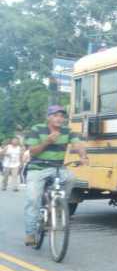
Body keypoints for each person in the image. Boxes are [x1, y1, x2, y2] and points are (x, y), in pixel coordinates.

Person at [23, 105, 88, 247]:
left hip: (58, 168)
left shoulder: (67, 131)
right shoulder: (37, 129)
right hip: (38, 168)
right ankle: (30, 233)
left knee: (71, 177)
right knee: (33, 199)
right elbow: (32, 152)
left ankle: (59, 204)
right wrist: (47, 141)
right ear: (48, 117)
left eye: (61, 116)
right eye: (55, 115)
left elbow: (77, 145)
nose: (59, 118)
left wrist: (83, 156)